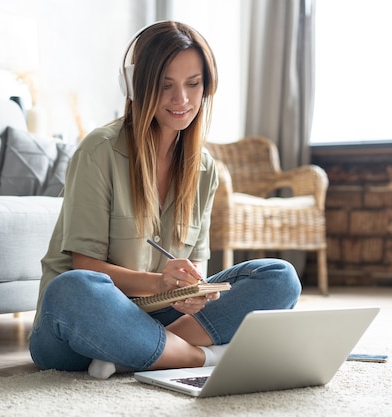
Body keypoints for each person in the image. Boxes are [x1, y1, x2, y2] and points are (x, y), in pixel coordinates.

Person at [28, 20, 302, 380]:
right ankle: (196, 358)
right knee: (72, 290)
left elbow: (195, 273)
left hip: (157, 317)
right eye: (165, 86)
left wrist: (192, 293)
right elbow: (85, 267)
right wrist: (160, 284)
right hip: (80, 324)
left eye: (193, 84)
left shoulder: (205, 169)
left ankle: (141, 353)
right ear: (137, 86)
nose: (182, 100)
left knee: (280, 278)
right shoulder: (99, 151)